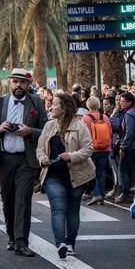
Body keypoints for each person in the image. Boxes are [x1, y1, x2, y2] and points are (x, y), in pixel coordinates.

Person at [0, 68, 47, 257]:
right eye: (15, 82)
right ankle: (11, 236)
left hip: (26, 160)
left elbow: (46, 129)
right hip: (4, 159)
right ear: (10, 83)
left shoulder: (36, 102)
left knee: (23, 201)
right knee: (8, 200)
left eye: (22, 82)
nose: (19, 85)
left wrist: (30, 131)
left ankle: (21, 241)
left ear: (28, 84)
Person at [36, 93, 96, 258]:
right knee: (58, 209)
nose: (51, 107)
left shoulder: (80, 125)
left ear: (64, 108)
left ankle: (70, 244)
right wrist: (43, 159)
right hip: (53, 175)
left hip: (77, 175)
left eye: (55, 104)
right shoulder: (49, 126)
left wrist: (71, 156)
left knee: (73, 211)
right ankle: (60, 243)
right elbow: (40, 148)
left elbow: (88, 149)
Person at [81, 96, 112, 205]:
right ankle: (102, 195)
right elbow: (110, 132)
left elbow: (83, 135)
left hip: (92, 149)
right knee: (101, 172)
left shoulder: (85, 118)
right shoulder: (105, 117)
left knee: (91, 172)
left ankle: (96, 194)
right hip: (105, 148)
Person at [117, 92, 135, 204]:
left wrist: (123, 147)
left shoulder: (129, 115)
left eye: (123, 101)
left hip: (130, 147)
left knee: (123, 169)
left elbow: (129, 132)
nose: (120, 103)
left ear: (129, 102)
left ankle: (125, 193)